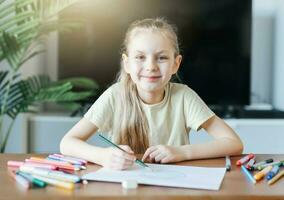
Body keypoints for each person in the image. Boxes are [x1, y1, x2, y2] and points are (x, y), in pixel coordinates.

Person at [60, 18, 243, 170]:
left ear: (176, 64)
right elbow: (67, 143)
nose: (151, 66)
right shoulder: (114, 96)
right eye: (140, 57)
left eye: (162, 57)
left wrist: (182, 152)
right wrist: (102, 156)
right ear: (127, 63)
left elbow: (234, 143)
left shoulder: (184, 97)